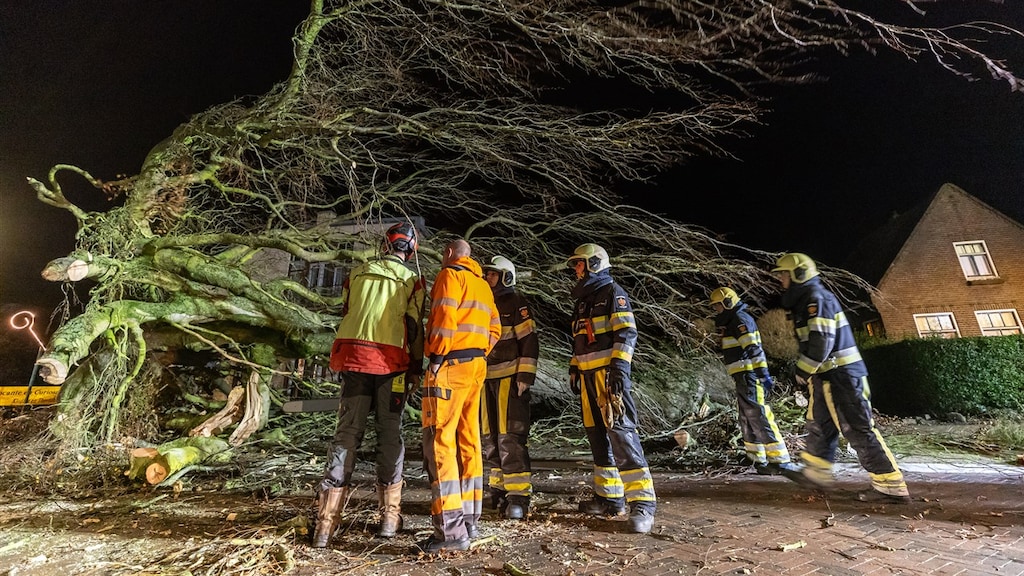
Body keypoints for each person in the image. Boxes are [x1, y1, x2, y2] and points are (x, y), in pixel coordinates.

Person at [312, 221, 426, 548]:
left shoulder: (357, 273)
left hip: (353, 358)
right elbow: (415, 328)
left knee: (347, 432)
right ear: (412, 249)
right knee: (390, 432)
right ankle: (389, 519)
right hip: (392, 364)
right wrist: (416, 367)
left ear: (386, 245)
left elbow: (346, 310)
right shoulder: (412, 281)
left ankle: (326, 524)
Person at [770, 253, 911, 504]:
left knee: (856, 429)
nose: (780, 280)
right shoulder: (805, 302)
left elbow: (822, 341)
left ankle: (890, 487)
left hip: (842, 377)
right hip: (827, 377)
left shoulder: (816, 299)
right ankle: (816, 474)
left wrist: (803, 371)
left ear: (799, 274)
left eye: (783, 274)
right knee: (820, 425)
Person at [416, 239, 501, 554]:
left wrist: (436, 358)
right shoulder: (482, 285)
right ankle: (469, 520)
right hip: (476, 366)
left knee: (440, 442)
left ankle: (450, 531)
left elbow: (442, 318)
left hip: (450, 365)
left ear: (450, 254)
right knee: (469, 440)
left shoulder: (450, 275)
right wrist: (479, 351)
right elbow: (496, 327)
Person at [565, 243, 656, 534]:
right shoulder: (582, 301)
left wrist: (619, 368)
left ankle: (642, 503)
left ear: (593, 263)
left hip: (608, 378)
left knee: (622, 435)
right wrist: (574, 366)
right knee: (597, 438)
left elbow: (627, 332)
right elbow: (578, 338)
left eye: (579, 264)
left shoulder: (613, 293)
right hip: (589, 379)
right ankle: (609, 498)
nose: (576, 270)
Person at [709, 287, 801, 479]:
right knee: (747, 416)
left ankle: (780, 460)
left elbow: (753, 349)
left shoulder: (740, 320)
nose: (716, 310)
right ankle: (756, 457)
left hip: (750, 375)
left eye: (717, 306)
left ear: (727, 303)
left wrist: (762, 374)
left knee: (759, 414)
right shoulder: (732, 322)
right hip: (742, 377)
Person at [480, 255, 540, 521]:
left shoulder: (516, 303)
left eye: (493, 274)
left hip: (509, 377)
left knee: (509, 436)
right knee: (488, 436)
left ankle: (518, 495)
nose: (487, 277)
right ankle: (497, 487)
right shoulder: (482, 302)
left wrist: (525, 376)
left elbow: (529, 340)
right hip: (484, 378)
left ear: (506, 276)